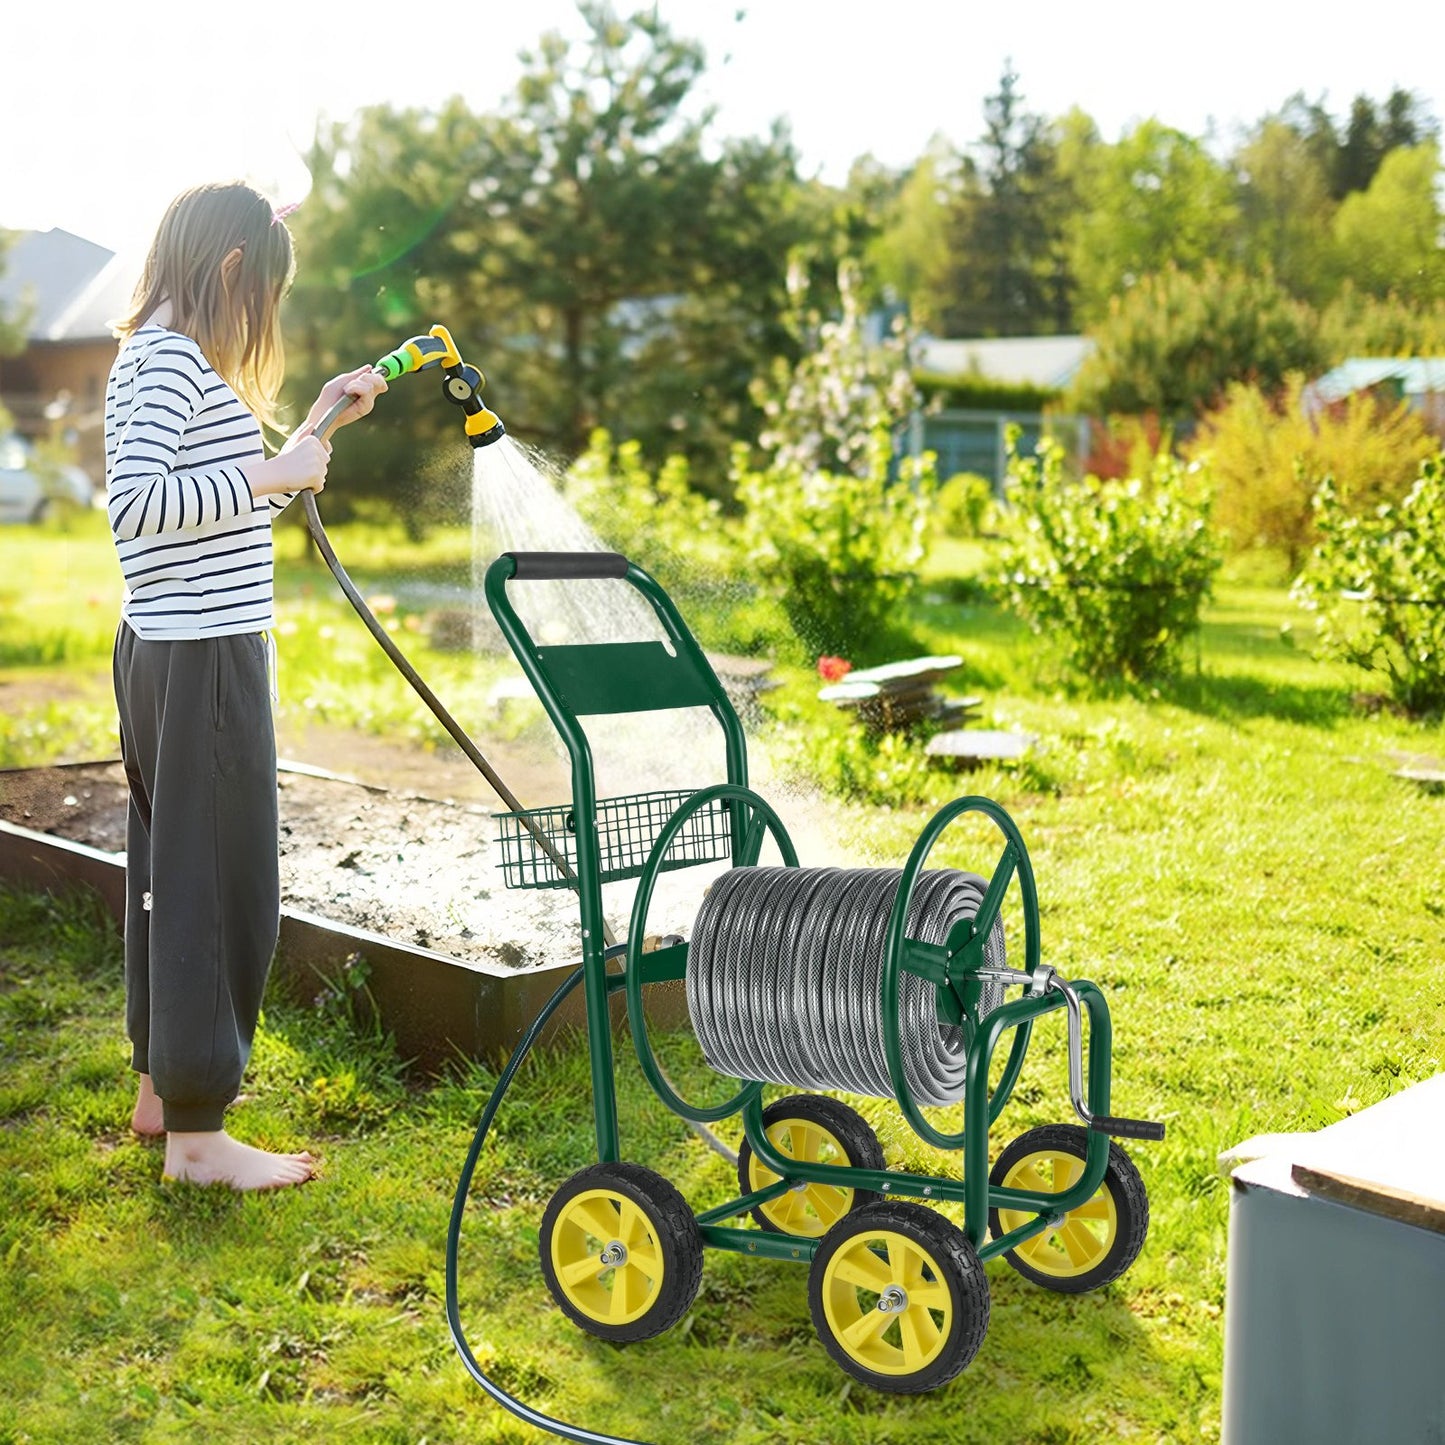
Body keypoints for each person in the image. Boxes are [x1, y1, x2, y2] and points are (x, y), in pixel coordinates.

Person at [105, 180, 386, 1189]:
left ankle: (161, 1091)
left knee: (168, 869)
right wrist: (276, 475)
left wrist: (309, 434)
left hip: (175, 646)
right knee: (218, 885)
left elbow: (204, 517)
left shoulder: (158, 360)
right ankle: (197, 1139)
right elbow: (137, 508)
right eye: (261, 292)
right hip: (201, 658)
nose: (260, 316)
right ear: (231, 270)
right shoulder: (170, 363)